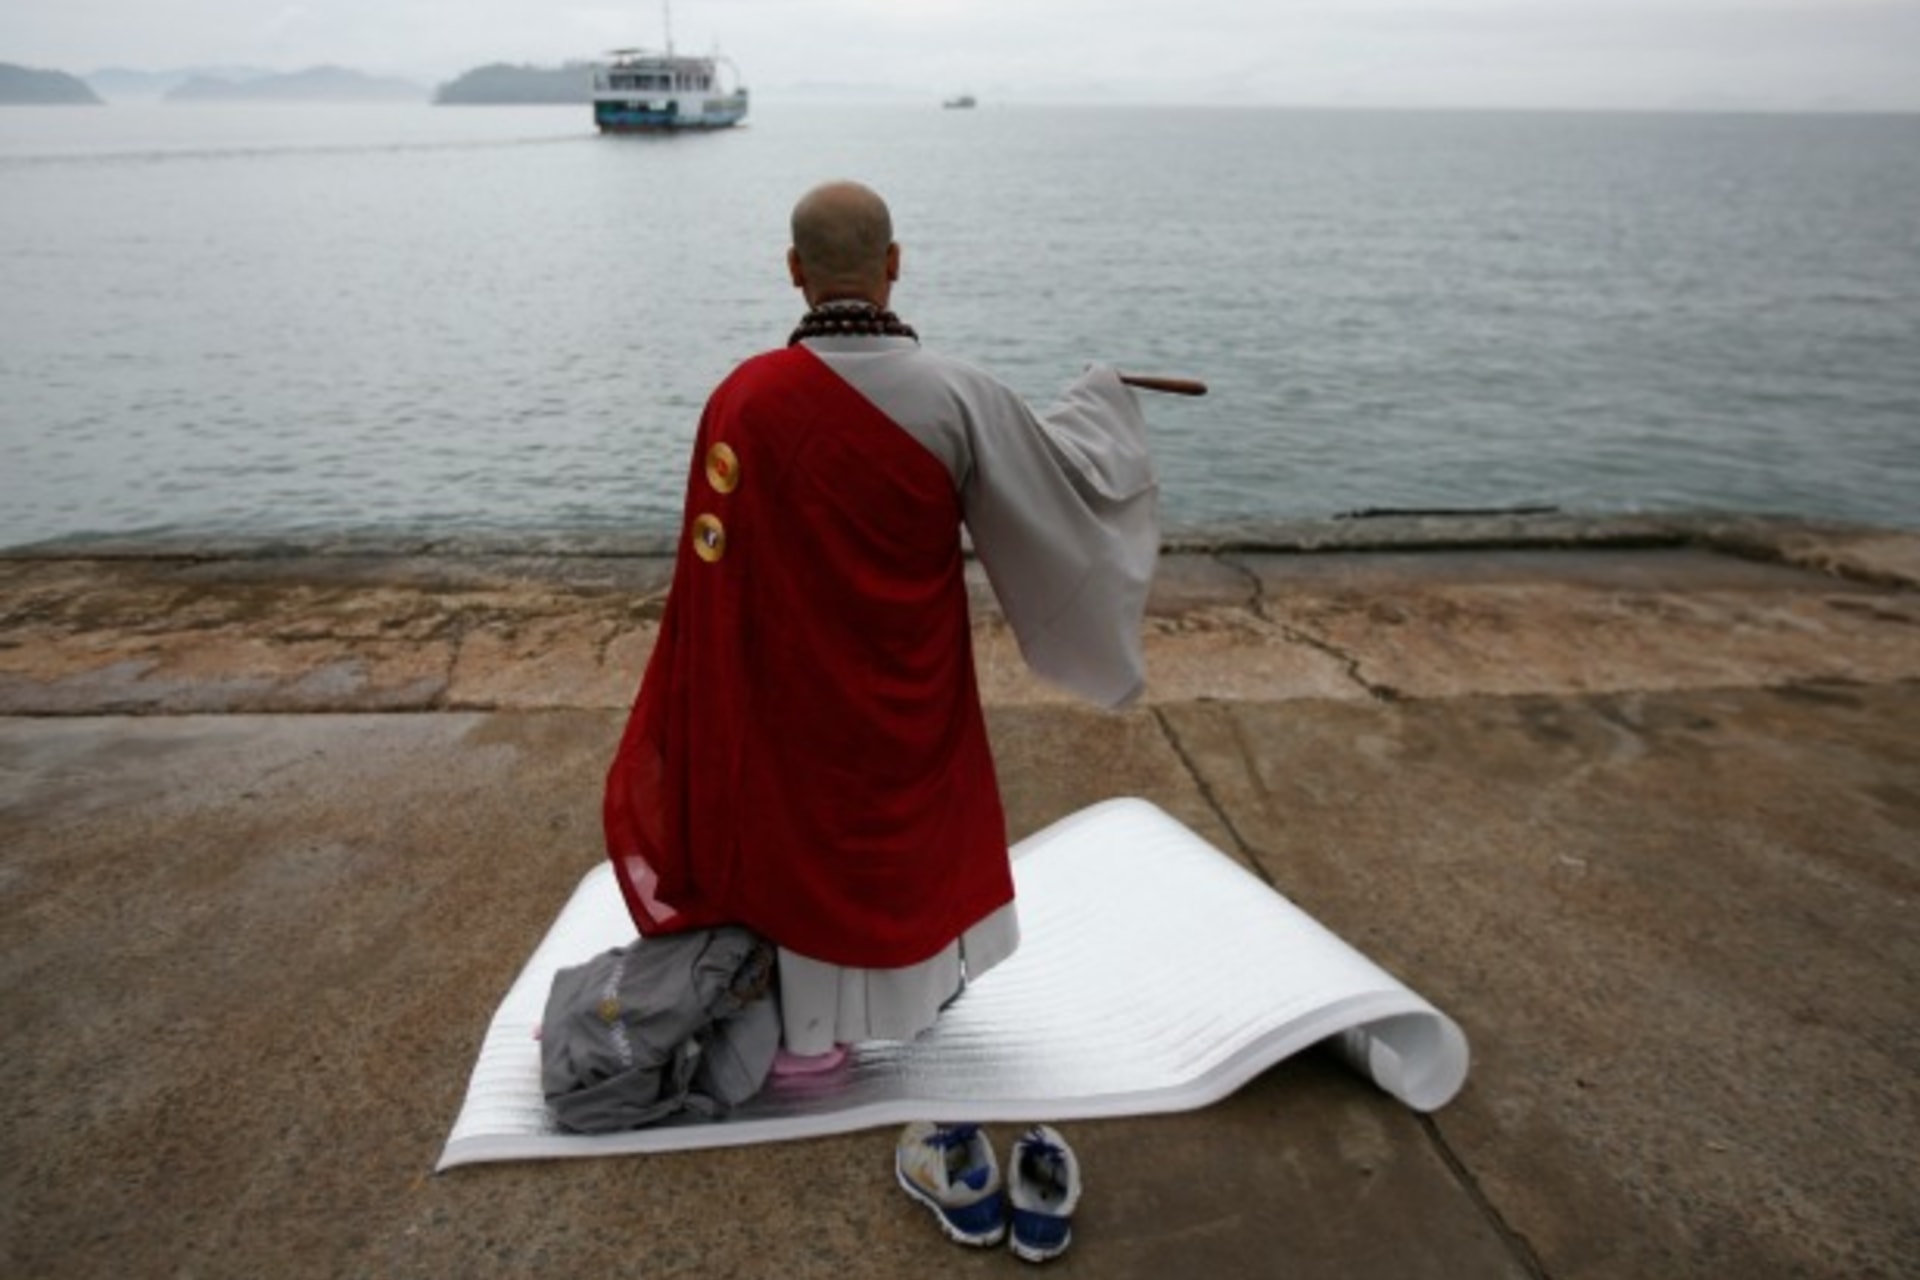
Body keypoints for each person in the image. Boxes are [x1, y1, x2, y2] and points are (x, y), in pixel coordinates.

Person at [602, 179, 1161, 1073]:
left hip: (787, 691)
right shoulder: (959, 394)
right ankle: (921, 993)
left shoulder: (741, 400)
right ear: (895, 264)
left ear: (794, 272)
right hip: (911, 677)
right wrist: (1101, 397)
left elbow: (709, 576)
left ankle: (804, 1027)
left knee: (799, 837)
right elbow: (1056, 472)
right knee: (907, 836)